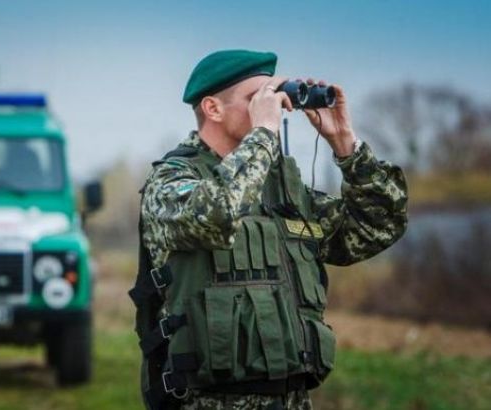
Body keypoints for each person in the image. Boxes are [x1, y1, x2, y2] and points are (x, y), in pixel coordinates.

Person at [129, 49, 408, 410]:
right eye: (256, 99)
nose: (273, 107)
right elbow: (218, 214)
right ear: (213, 109)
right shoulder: (171, 181)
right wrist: (263, 131)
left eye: (273, 96)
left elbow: (380, 225)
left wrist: (346, 147)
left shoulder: (279, 190)